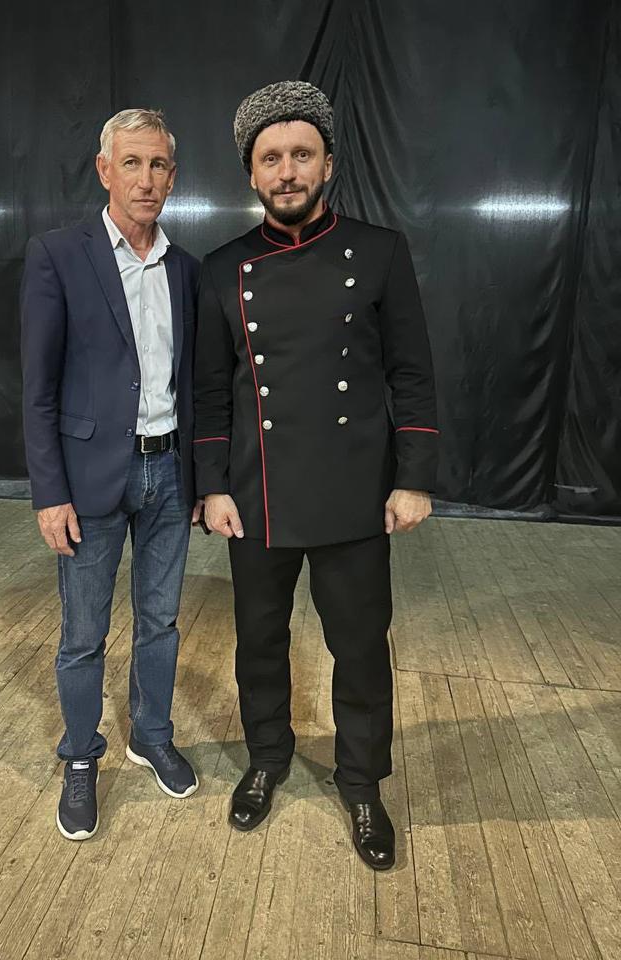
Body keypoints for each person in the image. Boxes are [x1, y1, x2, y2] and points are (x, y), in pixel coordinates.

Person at [193, 81, 438, 871]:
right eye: (271, 158)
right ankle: (268, 756)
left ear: (328, 163)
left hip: (354, 491)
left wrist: (413, 476)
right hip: (256, 494)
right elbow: (210, 390)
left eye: (301, 154)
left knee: (359, 647)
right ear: (252, 173)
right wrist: (212, 485)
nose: (287, 170)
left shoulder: (380, 250)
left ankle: (362, 781)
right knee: (259, 643)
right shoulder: (223, 269)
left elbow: (411, 372)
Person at [21, 109, 201, 841]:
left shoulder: (185, 269)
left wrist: (200, 477)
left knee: (160, 621)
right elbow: (37, 389)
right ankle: (80, 754)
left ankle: (150, 736)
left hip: (169, 474)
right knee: (83, 633)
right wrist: (49, 494)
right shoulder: (58, 255)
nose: (145, 179)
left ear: (173, 177)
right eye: (131, 163)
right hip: (91, 479)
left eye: (158, 165)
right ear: (104, 170)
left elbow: (193, 383)